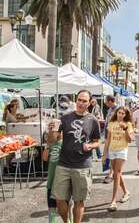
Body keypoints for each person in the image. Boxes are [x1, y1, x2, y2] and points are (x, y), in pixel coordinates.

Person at [48, 89, 101, 223]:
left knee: (79, 201)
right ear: (75, 100)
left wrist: (90, 146)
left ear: (89, 103)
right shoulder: (65, 118)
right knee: (59, 200)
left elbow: (97, 141)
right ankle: (66, 221)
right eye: (79, 100)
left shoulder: (93, 120)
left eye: (84, 101)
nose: (81, 103)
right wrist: (51, 130)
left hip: (82, 166)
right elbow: (53, 140)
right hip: (63, 164)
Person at [102, 106, 135, 211]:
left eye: (123, 113)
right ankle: (126, 192)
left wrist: (125, 129)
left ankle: (113, 201)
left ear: (125, 115)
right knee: (117, 173)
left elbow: (130, 140)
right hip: (112, 150)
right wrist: (104, 154)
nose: (120, 115)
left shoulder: (128, 124)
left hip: (122, 150)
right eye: (119, 112)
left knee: (116, 174)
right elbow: (108, 139)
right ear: (116, 113)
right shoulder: (111, 124)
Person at [46, 133, 63, 222]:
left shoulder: (65, 143)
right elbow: (45, 158)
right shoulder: (51, 144)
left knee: (67, 205)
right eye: (50, 128)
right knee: (52, 206)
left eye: (54, 128)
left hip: (63, 180)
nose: (52, 131)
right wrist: (48, 145)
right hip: (51, 181)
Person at [103, 95, 118, 184]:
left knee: (112, 154)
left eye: (106, 101)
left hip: (114, 136)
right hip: (108, 135)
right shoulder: (110, 109)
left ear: (110, 101)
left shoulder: (118, 109)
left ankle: (111, 174)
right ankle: (112, 173)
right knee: (109, 154)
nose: (105, 103)